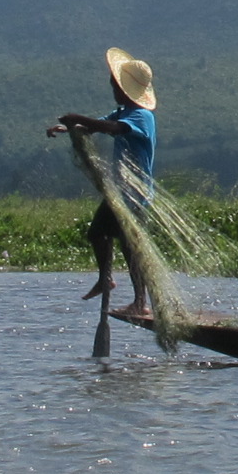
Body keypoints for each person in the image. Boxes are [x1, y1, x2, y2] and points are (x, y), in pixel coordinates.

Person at [48, 47, 156, 322]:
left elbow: (114, 129)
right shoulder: (123, 111)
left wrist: (78, 118)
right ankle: (115, 285)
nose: (112, 88)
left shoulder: (141, 116)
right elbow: (101, 124)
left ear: (125, 89)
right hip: (122, 193)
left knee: (113, 239)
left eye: (115, 85)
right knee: (110, 238)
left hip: (135, 194)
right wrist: (69, 128)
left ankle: (132, 297)